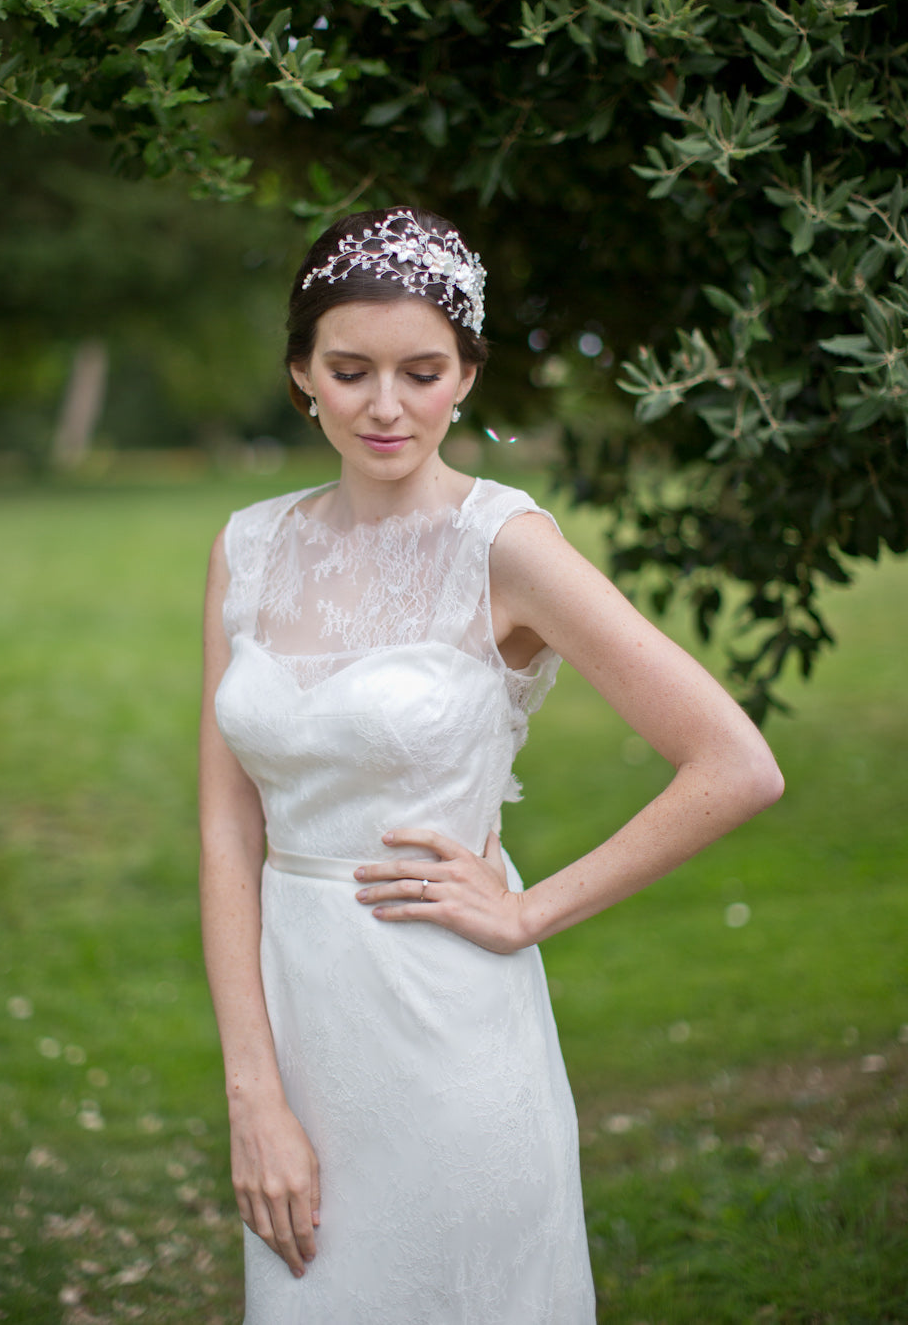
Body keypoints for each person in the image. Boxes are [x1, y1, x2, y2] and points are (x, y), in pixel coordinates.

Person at [198, 206, 784, 1324]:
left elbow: (734, 764)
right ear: (299, 375)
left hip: (450, 1032)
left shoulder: (505, 548)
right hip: (299, 1031)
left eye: (421, 371)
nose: (385, 405)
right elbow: (229, 830)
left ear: (465, 376)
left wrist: (529, 912)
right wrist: (253, 1094)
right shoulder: (248, 547)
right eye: (350, 369)